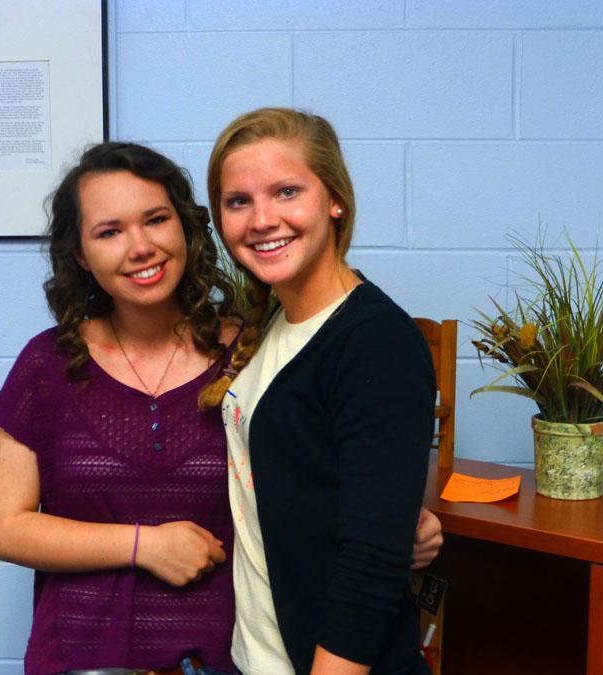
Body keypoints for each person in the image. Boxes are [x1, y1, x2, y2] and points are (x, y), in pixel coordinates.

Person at [0, 141, 442, 675]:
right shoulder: (49, 363)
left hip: (230, 659)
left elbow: (316, 471)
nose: (140, 247)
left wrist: (396, 521)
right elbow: (4, 526)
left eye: (156, 220)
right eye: (109, 232)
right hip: (80, 656)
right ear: (81, 255)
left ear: (186, 227)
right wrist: (142, 545)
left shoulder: (251, 350)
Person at [199, 108, 437, 675]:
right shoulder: (275, 323)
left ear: (334, 200)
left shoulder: (375, 340)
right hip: (258, 658)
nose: (262, 220)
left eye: (286, 191)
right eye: (238, 202)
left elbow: (372, 565)